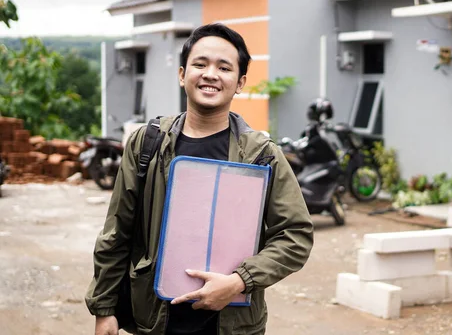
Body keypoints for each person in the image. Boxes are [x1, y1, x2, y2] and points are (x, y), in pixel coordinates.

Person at [86, 23, 314, 335]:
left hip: (232, 325)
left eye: (224, 67)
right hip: (154, 321)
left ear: (240, 82)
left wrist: (239, 281)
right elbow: (117, 233)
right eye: (200, 64)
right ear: (182, 74)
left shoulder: (262, 155)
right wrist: (104, 309)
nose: (210, 74)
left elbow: (295, 235)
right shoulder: (147, 143)